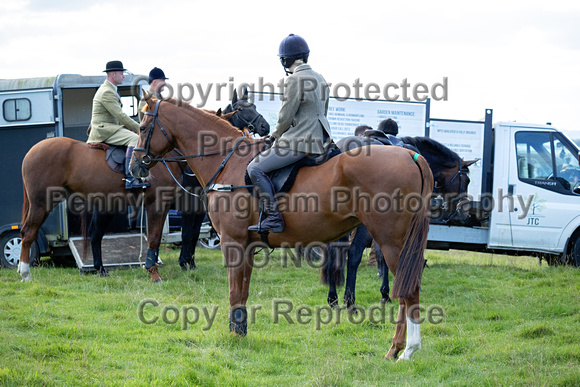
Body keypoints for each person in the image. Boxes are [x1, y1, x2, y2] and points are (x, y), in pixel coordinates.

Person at [247, 34, 332, 233]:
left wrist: (275, 135)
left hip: (300, 142)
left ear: (285, 60)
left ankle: (274, 218)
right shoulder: (320, 78)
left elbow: (285, 116)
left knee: (254, 169)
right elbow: (323, 111)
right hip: (322, 140)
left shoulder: (294, 79)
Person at [87, 60, 149, 189]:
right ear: (113, 74)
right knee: (135, 138)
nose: (123, 76)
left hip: (111, 127)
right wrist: (139, 129)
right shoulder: (107, 92)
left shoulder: (111, 89)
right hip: (104, 129)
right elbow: (120, 116)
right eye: (121, 73)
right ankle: (130, 178)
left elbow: (119, 118)